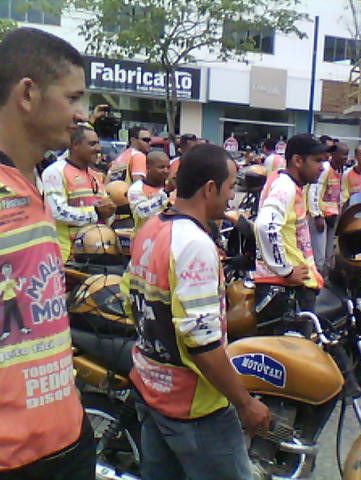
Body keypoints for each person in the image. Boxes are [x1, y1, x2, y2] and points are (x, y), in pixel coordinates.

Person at [123, 143, 271, 480]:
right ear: (210, 189)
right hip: (195, 406)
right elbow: (201, 343)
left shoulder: (151, 228)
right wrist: (245, 403)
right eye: (231, 187)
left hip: (152, 387)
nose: (233, 197)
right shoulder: (194, 245)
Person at [0, 27, 95, 479]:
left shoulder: (32, 182)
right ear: (27, 93)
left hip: (66, 438)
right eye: (73, 97)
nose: (82, 115)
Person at [254, 134, 326, 333]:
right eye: (317, 161)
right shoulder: (285, 186)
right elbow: (265, 224)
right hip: (285, 288)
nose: (322, 167)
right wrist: (285, 270)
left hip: (286, 286)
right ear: (297, 160)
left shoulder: (288, 183)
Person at [42, 124, 116, 260]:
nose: (98, 149)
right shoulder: (55, 172)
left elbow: (106, 213)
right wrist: (95, 213)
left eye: (98, 144)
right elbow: (56, 211)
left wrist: (110, 211)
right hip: (67, 256)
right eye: (92, 144)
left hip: (98, 255)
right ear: (75, 145)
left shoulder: (96, 175)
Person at [308, 142, 348, 275]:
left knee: (329, 252)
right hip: (320, 216)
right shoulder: (325, 169)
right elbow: (314, 190)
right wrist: (316, 215)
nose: (345, 158)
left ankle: (327, 279)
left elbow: (340, 193)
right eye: (343, 154)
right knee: (319, 252)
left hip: (333, 216)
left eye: (347, 154)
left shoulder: (341, 170)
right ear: (334, 155)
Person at [128, 150, 174, 236]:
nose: (166, 171)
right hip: (145, 239)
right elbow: (141, 212)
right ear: (148, 168)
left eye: (168, 167)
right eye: (161, 167)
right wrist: (166, 192)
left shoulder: (173, 186)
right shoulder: (136, 189)